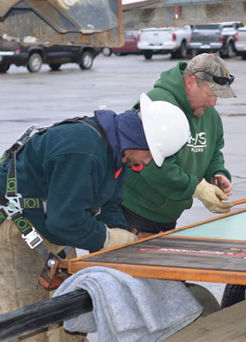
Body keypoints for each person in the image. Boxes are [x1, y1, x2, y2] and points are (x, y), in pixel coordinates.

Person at [0, 94, 190, 341]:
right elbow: (64, 221)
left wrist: (122, 243)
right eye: (150, 154)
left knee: (67, 322)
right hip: (16, 227)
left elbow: (108, 204)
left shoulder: (116, 151)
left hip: (51, 223)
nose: (147, 162)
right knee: (25, 323)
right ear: (138, 139)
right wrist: (107, 239)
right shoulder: (84, 150)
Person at [121, 53, 236, 235]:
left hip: (168, 215)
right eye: (210, 94)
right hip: (135, 212)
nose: (214, 102)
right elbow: (154, 165)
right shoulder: (157, 104)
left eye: (218, 96)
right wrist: (196, 186)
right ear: (191, 82)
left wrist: (217, 174)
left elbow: (213, 150)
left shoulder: (208, 113)